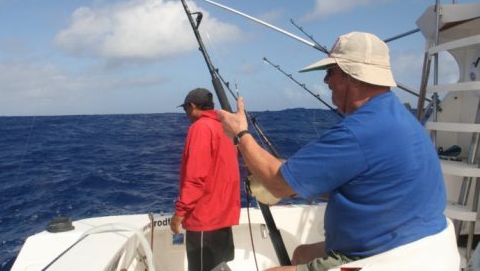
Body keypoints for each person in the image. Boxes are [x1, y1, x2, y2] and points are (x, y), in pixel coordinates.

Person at [218, 32, 451, 271]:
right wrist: (296, 178)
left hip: (382, 256)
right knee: (301, 253)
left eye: (330, 72)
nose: (326, 81)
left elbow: (278, 185)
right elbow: (366, 184)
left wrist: (240, 135)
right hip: (419, 245)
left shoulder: (359, 131)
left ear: (354, 78)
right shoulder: (400, 117)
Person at [171, 87, 241, 271]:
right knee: (219, 266)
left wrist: (180, 213)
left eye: (186, 109)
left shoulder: (200, 128)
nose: (186, 114)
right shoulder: (225, 127)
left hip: (205, 219)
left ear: (193, 106)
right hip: (223, 215)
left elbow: (195, 177)